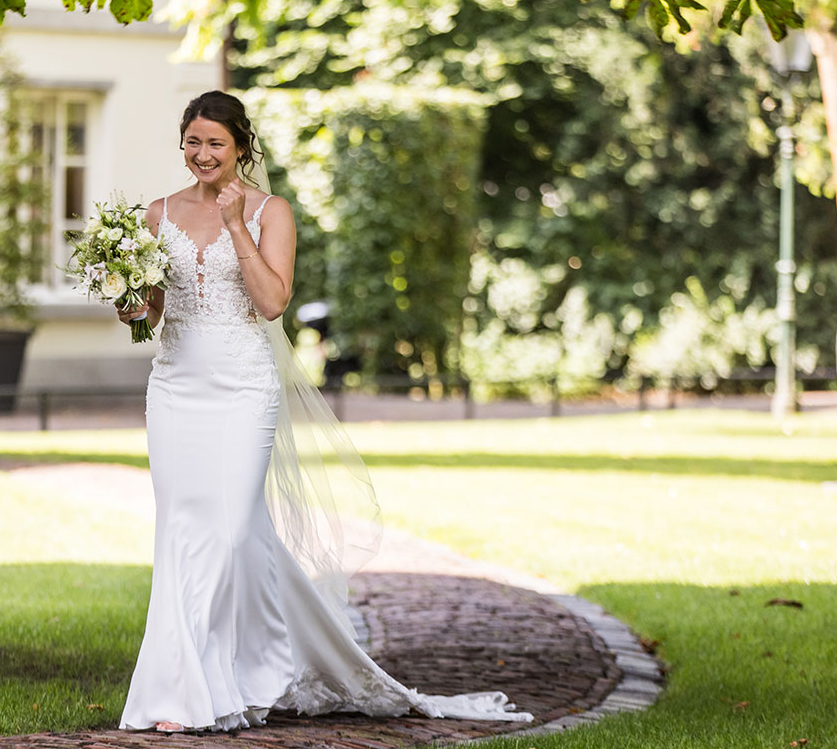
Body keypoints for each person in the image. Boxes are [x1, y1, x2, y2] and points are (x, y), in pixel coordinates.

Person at [116, 91, 532, 732]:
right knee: (185, 533)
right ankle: (200, 688)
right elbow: (150, 311)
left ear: (241, 148)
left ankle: (235, 675)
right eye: (193, 142)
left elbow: (272, 302)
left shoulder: (269, 212)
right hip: (175, 390)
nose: (202, 154)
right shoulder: (157, 214)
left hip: (244, 390)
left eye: (216, 144)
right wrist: (124, 299)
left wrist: (234, 225)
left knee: (227, 535)